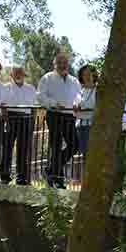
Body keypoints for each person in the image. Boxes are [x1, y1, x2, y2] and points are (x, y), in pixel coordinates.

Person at [36, 52, 81, 187]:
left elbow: (79, 94)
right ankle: (58, 179)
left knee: (74, 145)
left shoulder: (74, 80)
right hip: (54, 114)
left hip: (69, 115)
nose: (62, 65)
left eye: (65, 63)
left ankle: (51, 169)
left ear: (68, 64)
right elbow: (40, 96)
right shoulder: (47, 78)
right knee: (55, 147)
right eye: (59, 62)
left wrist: (77, 102)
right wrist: (54, 103)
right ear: (54, 64)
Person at [0, 65, 36, 185]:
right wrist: (5, 121)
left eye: (21, 72)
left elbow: (34, 108)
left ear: (24, 74)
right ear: (11, 74)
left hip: (26, 119)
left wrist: (32, 123)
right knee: (7, 148)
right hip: (10, 118)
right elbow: (2, 106)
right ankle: (5, 175)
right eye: (16, 72)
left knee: (23, 149)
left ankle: (21, 177)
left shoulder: (31, 88)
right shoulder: (5, 87)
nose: (19, 74)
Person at [72, 64, 98, 164]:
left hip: (93, 126)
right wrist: (77, 107)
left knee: (94, 155)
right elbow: (75, 110)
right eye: (84, 74)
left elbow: (94, 105)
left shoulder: (98, 90)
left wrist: (81, 108)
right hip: (81, 127)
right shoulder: (80, 91)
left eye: (89, 74)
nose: (87, 77)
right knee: (85, 156)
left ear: (94, 75)